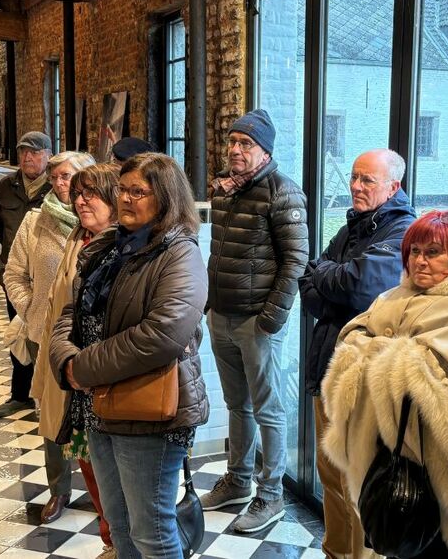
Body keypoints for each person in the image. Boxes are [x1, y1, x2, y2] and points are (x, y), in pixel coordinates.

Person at [49, 153, 208, 559]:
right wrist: (65, 359)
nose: (126, 198)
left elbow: (161, 336)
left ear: (167, 198)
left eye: (139, 191)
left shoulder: (179, 254)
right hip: (98, 403)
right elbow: (73, 310)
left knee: (151, 531)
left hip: (148, 411)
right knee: (118, 527)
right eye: (123, 188)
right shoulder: (109, 248)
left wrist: (81, 368)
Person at [322, 209, 448, 559]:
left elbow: (428, 371)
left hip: (439, 465)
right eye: (415, 251)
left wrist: (377, 348)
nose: (420, 261)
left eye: (434, 252)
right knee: (393, 537)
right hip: (387, 456)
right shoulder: (395, 295)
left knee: (433, 546)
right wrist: (389, 350)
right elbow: (351, 335)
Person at [299, 148, 415, 558]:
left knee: (358, 485)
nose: (356, 186)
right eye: (354, 177)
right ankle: (335, 552)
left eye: (367, 180)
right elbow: (309, 283)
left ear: (393, 186)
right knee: (330, 476)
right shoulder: (354, 227)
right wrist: (332, 283)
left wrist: (328, 280)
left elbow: (362, 288)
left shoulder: (402, 231)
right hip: (326, 370)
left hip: (361, 381)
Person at [201, 109, 309, 533]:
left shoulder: (283, 193)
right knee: (236, 405)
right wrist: (209, 306)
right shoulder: (226, 190)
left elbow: (296, 261)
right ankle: (238, 480)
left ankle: (272, 495)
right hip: (222, 315)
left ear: (265, 151)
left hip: (256, 323)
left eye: (246, 143)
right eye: (232, 141)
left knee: (269, 410)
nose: (235, 150)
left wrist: (271, 319)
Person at [2, 152, 97, 527]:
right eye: (56, 177)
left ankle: (100, 486)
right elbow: (13, 274)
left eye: (69, 177)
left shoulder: (103, 222)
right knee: (52, 416)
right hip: (47, 335)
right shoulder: (34, 222)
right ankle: (59, 488)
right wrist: (34, 311)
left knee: (93, 415)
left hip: (90, 339)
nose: (61, 184)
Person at [0, 131, 53, 418]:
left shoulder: (56, 188)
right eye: (24, 152)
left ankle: (47, 395)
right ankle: (20, 395)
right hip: (14, 275)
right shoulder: (7, 185)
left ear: (48, 155)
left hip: (45, 275)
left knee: (46, 335)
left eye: (35, 152)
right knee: (19, 333)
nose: (28, 157)